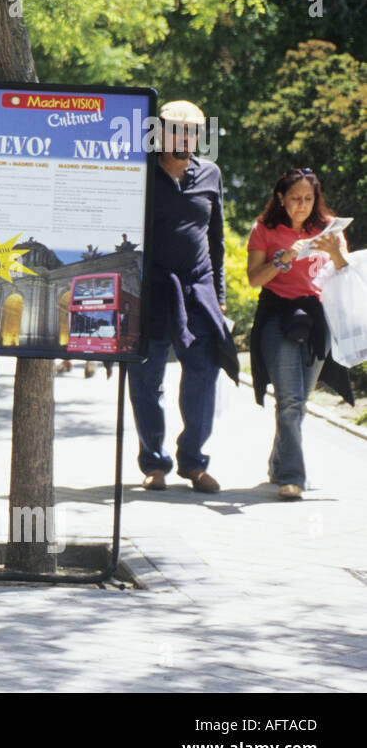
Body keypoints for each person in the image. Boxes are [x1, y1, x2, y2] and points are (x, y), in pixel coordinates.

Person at [128, 100, 238, 494]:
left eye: (192, 131)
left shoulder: (210, 174)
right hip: (150, 291)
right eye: (176, 130)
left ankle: (193, 462)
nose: (184, 138)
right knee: (145, 379)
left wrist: (219, 294)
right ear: (159, 133)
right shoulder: (140, 173)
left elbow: (218, 241)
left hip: (197, 290)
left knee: (203, 376)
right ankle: (154, 462)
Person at [246, 168, 353, 500]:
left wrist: (333, 251)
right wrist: (285, 259)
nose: (301, 206)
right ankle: (292, 477)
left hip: (318, 318)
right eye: (294, 198)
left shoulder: (328, 228)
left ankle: (279, 464)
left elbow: (346, 273)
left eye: (308, 199)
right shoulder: (264, 230)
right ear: (281, 198)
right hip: (277, 316)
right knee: (289, 402)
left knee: (299, 402)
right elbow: (253, 279)